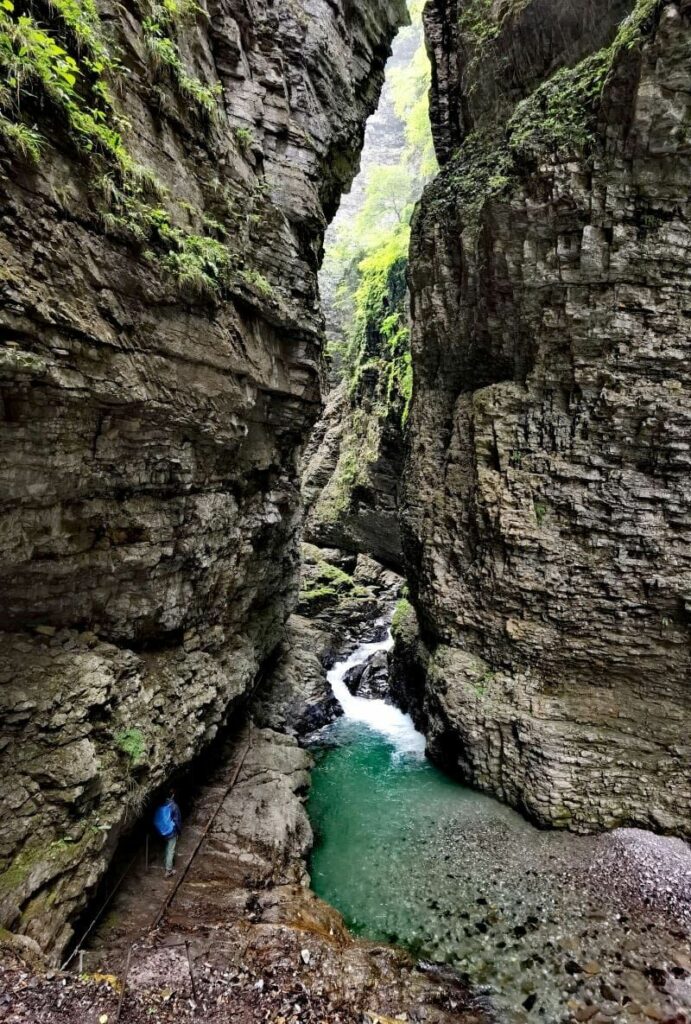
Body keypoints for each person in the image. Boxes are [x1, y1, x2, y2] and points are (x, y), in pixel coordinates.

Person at [153, 789, 182, 877]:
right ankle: (168, 870)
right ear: (173, 795)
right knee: (171, 849)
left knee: (167, 846)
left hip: (162, 831)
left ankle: (166, 862)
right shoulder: (174, 806)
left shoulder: (162, 804)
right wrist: (179, 831)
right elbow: (177, 820)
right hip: (171, 831)